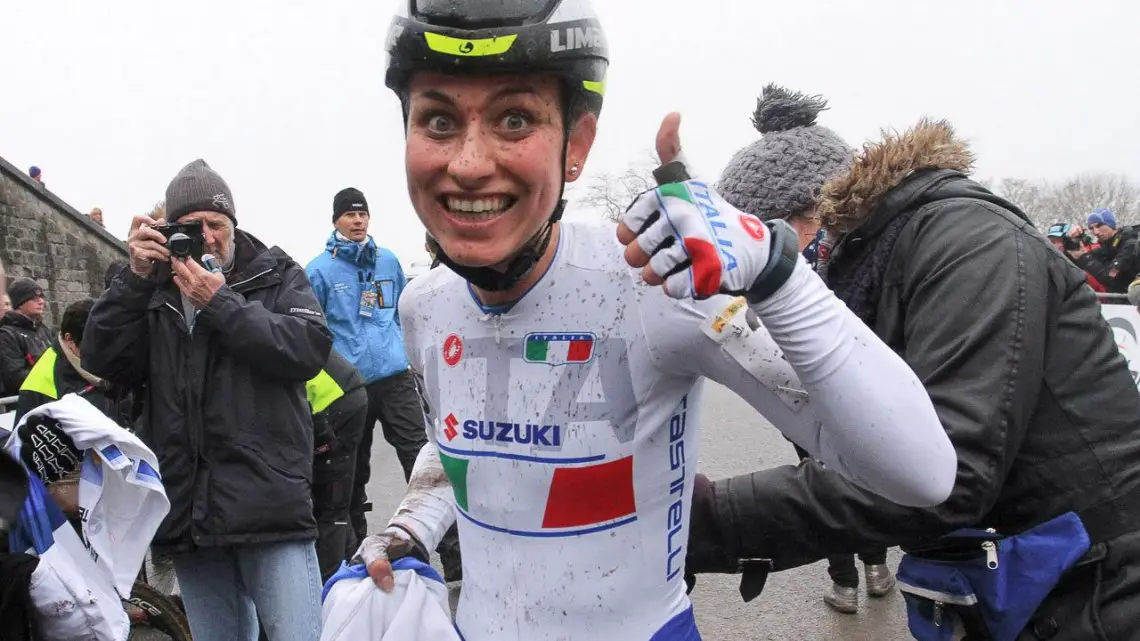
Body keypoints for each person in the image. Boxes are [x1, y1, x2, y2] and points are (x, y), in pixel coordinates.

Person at [349, 3, 956, 640]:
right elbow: (458, 448)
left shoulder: (654, 285)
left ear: (576, 146)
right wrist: (409, 527)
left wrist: (778, 273)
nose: (470, 163)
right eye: (438, 120)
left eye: (515, 118)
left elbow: (922, 475)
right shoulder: (423, 305)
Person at [687, 119, 1140, 640]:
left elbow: (946, 472)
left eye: (766, 242)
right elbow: (837, 438)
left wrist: (704, 521)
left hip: (1099, 580)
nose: (761, 267)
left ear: (814, 215)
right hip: (1006, 571)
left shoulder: (971, 243)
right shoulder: (865, 268)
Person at [82, 158, 333, 641]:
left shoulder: (277, 276)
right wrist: (133, 278)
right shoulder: (151, 291)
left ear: (234, 226)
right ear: (170, 230)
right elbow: (104, 359)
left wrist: (220, 304)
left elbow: (307, 350)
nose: (208, 238)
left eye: (217, 225)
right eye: (192, 228)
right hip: (190, 512)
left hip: (269, 507)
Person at [717, 83, 892, 614]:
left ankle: (873, 564)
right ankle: (851, 575)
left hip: (863, 380)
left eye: (799, 213)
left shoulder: (869, 248)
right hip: (801, 384)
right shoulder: (775, 254)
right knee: (828, 476)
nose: (788, 229)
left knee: (865, 472)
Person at [304, 187, 461, 581]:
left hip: (394, 377)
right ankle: (352, 560)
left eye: (363, 214)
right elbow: (312, 331)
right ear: (336, 220)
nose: (358, 221)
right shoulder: (319, 270)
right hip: (348, 386)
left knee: (423, 461)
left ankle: (454, 558)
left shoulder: (388, 261)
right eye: (350, 215)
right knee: (352, 473)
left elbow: (400, 315)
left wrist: (406, 356)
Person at [13, 298, 130, 427]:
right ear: (70, 340)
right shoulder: (41, 385)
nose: (106, 352)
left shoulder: (111, 359)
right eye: (96, 346)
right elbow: (22, 441)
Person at [307, 349, 369, 582]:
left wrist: (325, 439)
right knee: (336, 503)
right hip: (342, 391)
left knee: (330, 505)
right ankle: (351, 573)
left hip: (337, 401)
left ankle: (332, 587)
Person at [0, 278, 54, 395]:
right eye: (34, 298)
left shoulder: (44, 330)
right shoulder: (7, 335)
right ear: (20, 303)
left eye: (41, 297)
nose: (41, 302)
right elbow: (15, 377)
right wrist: (53, 376)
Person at [1070, 208, 1138, 293]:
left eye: (1099, 226)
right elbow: (1072, 260)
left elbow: (1111, 276)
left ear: (1110, 224)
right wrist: (1072, 242)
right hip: (1118, 302)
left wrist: (1086, 258)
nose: (1096, 232)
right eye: (1091, 228)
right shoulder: (1107, 247)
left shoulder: (1130, 243)